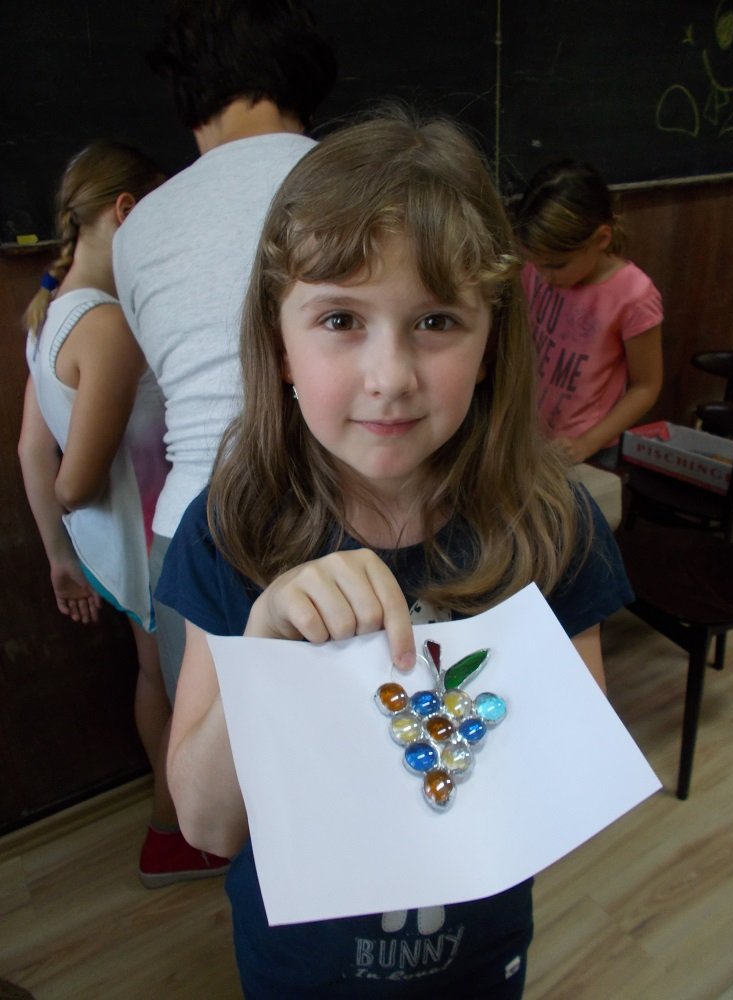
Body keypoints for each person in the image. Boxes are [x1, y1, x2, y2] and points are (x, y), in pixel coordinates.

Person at [156, 110, 634, 997]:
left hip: (479, 964)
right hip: (296, 971)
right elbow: (208, 825)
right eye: (341, 318)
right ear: (279, 343)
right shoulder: (231, 530)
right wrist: (266, 645)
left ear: (490, 343)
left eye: (436, 321)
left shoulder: (547, 524)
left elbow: (561, 792)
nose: (390, 377)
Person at [113, 0, 337, 704]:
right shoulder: (364, 184)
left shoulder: (137, 227)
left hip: (191, 534)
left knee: (213, 759)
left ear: (187, 94)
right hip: (346, 520)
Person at [17, 140, 228, 887]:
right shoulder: (105, 325)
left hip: (112, 544)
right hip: (143, 541)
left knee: (156, 682)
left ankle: (172, 825)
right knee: (177, 689)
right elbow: (71, 478)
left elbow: (29, 449)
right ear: (127, 211)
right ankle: (175, 832)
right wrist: (71, 514)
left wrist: (61, 555)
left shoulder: (48, 313)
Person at [515, 159, 663, 469]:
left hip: (588, 450)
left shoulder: (634, 296)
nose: (544, 277)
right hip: (529, 436)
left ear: (601, 239)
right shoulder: (538, 269)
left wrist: (586, 443)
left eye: (556, 266)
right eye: (536, 264)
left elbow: (646, 387)